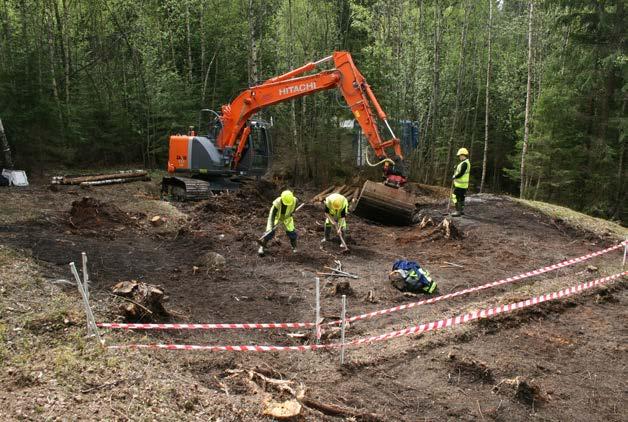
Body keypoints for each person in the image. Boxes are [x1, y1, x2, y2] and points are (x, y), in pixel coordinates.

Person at [258, 190, 298, 256]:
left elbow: (295, 206)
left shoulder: (295, 200)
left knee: (292, 233)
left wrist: (292, 212)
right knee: (269, 232)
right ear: (282, 198)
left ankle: (294, 247)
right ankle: (262, 247)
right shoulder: (277, 203)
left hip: (287, 217)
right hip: (276, 216)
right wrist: (271, 226)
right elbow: (272, 215)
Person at [451, 147, 470, 217]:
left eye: (459, 156)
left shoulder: (465, 163)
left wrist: (454, 177)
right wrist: (456, 168)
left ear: (463, 155)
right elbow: (460, 170)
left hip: (460, 185)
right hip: (463, 185)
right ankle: (461, 211)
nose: (459, 157)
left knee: (454, 196)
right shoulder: (464, 162)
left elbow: (461, 173)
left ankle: (457, 211)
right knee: (461, 197)